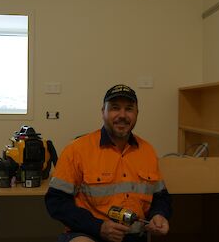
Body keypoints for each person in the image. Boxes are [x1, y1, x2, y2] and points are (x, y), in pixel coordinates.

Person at [45, 84, 172, 242]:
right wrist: (98, 227)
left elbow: (161, 196)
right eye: (114, 108)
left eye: (129, 109)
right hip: (88, 233)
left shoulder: (148, 151)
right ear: (103, 112)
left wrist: (159, 215)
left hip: (134, 236)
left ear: (137, 113)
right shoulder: (76, 149)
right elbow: (56, 201)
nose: (122, 115)